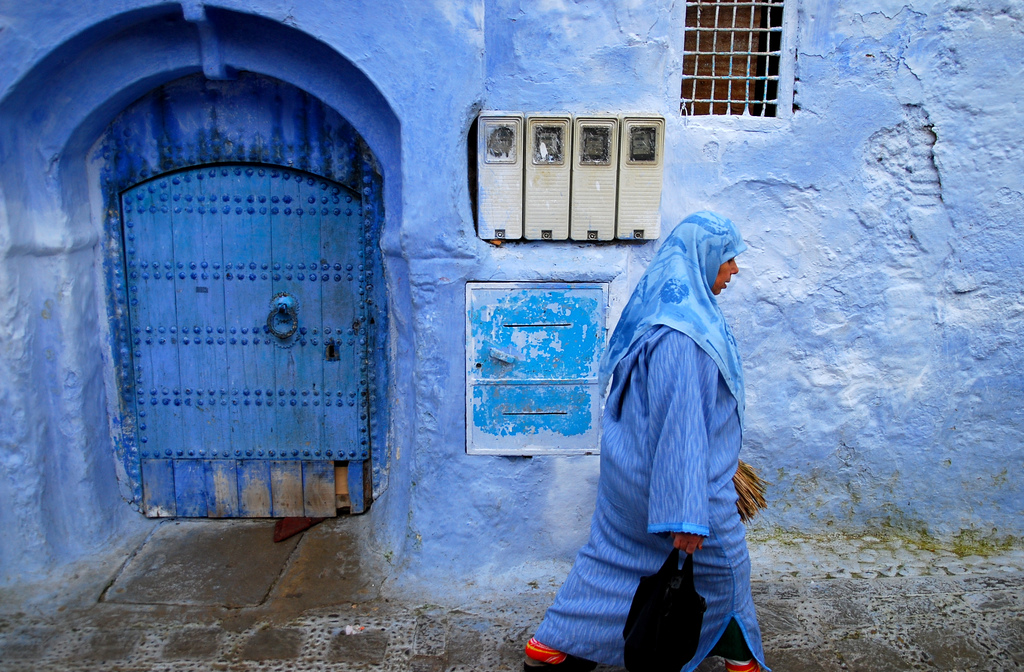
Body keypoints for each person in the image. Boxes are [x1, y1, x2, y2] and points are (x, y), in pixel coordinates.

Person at [524, 212, 768, 672]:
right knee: (726, 567)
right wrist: (686, 515)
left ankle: (554, 643)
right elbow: (681, 427)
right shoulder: (685, 338)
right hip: (676, 483)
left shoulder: (663, 309)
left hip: (632, 475)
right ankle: (740, 656)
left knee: (612, 563)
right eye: (729, 258)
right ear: (703, 258)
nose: (735, 269)